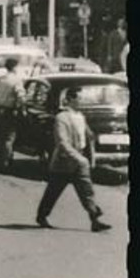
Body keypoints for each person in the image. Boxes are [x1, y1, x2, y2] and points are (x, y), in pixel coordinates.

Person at [36, 86, 111, 232]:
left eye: (82, 98)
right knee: (54, 191)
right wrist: (79, 158)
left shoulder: (80, 116)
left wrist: (91, 155)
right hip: (64, 161)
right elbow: (62, 142)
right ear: (69, 100)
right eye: (78, 98)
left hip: (80, 159)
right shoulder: (62, 117)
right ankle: (42, 216)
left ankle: (95, 220)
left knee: (86, 191)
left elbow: (89, 137)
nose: (81, 101)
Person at [0, 59, 28, 172]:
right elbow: (21, 96)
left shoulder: (0, 79)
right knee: (8, 138)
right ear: (15, 67)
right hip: (8, 111)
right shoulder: (16, 80)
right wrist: (22, 107)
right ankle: (6, 163)